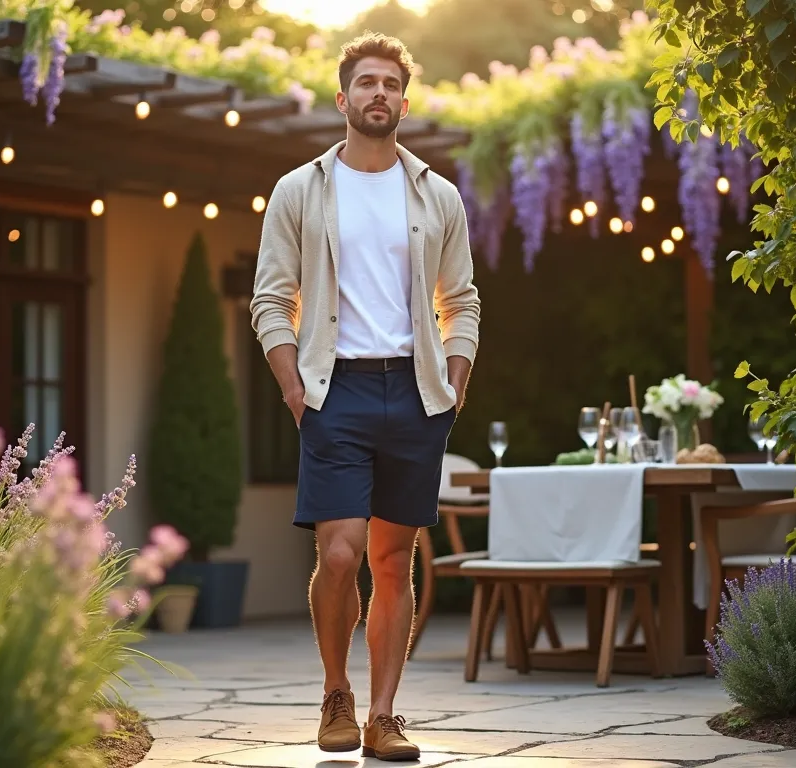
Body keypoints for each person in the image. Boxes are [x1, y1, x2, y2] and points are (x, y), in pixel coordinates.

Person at [249, 31, 481, 762]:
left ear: (404, 103)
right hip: (334, 390)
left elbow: (463, 300)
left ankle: (383, 716)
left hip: (415, 392)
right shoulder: (300, 190)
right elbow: (269, 299)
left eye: (390, 84)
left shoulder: (437, 195)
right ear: (342, 97)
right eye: (366, 82)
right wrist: (294, 389)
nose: (378, 94)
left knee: (393, 561)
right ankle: (336, 694)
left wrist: (453, 385)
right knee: (342, 553)